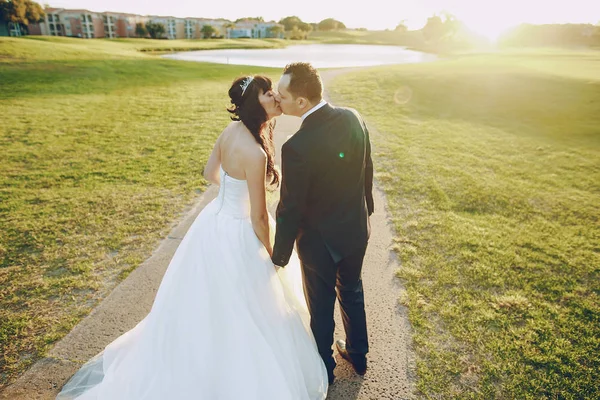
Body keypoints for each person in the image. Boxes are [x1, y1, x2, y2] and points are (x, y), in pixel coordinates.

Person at [56, 75, 328, 400]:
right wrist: (272, 256)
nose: (275, 97)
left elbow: (210, 172)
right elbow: (257, 217)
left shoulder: (230, 132)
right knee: (246, 306)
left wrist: (230, 194)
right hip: (240, 231)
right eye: (268, 94)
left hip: (213, 224)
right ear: (257, 106)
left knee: (208, 301)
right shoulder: (255, 153)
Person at [272, 62, 374, 384]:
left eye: (282, 95)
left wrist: (279, 256)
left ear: (301, 102)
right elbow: (366, 170)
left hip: (319, 245)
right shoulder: (354, 117)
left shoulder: (296, 147)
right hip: (356, 232)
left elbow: (290, 209)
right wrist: (366, 210)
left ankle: (324, 372)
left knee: (321, 307)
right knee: (352, 289)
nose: (277, 98)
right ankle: (358, 354)